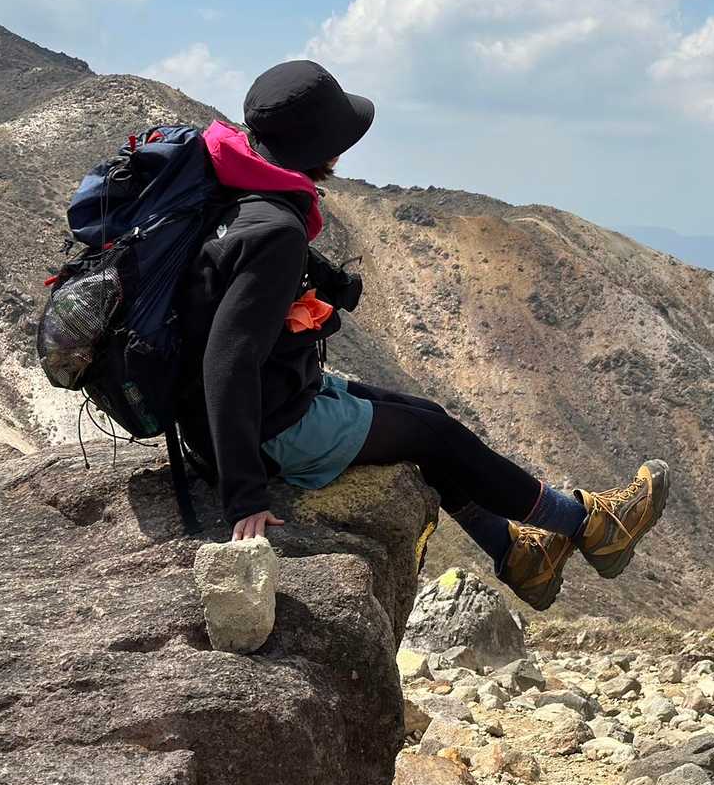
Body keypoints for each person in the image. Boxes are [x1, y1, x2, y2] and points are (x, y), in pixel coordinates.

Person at [174, 60, 669, 610]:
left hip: (263, 398)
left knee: (425, 416)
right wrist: (244, 495)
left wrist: (320, 278)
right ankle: (590, 526)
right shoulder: (275, 231)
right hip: (270, 428)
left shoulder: (237, 187)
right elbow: (228, 362)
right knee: (435, 438)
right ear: (321, 146)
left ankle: (516, 553)